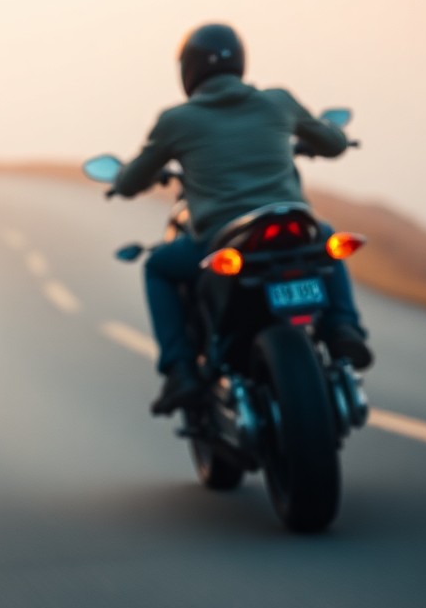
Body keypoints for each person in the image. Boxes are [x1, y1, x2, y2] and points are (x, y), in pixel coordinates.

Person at [110, 23, 373, 417]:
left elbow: (131, 182)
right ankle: (342, 327)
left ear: (189, 70)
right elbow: (333, 144)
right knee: (326, 242)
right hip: (292, 226)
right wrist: (320, 135)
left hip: (225, 238)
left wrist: (121, 181)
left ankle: (180, 370)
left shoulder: (177, 121)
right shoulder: (278, 102)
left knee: (159, 267)